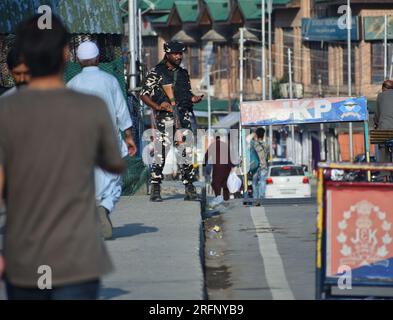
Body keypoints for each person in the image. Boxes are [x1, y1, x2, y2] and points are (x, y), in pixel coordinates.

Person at [0, 15, 125, 300]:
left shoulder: (5, 110)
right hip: (76, 257)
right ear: (66, 54)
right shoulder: (89, 107)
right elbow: (114, 162)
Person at [67, 41, 137, 240]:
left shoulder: (72, 84)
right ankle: (104, 207)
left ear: (78, 61)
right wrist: (129, 137)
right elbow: (122, 111)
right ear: (98, 58)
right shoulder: (110, 81)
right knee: (113, 180)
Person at [140, 40, 203, 202]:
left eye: (180, 53)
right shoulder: (157, 72)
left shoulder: (183, 73)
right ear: (167, 54)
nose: (178, 56)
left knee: (185, 153)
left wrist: (193, 98)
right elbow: (144, 94)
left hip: (183, 117)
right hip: (166, 119)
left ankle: (189, 187)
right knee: (161, 152)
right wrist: (158, 106)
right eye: (175, 53)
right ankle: (155, 187)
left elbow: (186, 93)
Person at [205, 129, 234, 204]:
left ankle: (218, 196)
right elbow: (230, 157)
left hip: (218, 167)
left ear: (215, 138)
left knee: (215, 183)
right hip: (226, 167)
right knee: (225, 183)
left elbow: (207, 155)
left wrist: (204, 163)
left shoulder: (213, 145)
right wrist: (231, 166)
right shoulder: (225, 145)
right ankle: (226, 198)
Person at [374, 79, 393, 162]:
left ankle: (385, 173)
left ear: (384, 88)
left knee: (382, 150)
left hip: (384, 128)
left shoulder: (380, 96)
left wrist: (376, 125)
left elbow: (377, 115)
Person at [250, 128, 269, 203]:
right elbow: (267, 156)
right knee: (262, 181)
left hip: (255, 166)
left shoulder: (253, 144)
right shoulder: (266, 145)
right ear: (263, 135)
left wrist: (253, 136)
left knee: (254, 183)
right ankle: (262, 197)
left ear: (257, 135)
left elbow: (246, 140)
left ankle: (256, 198)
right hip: (263, 166)